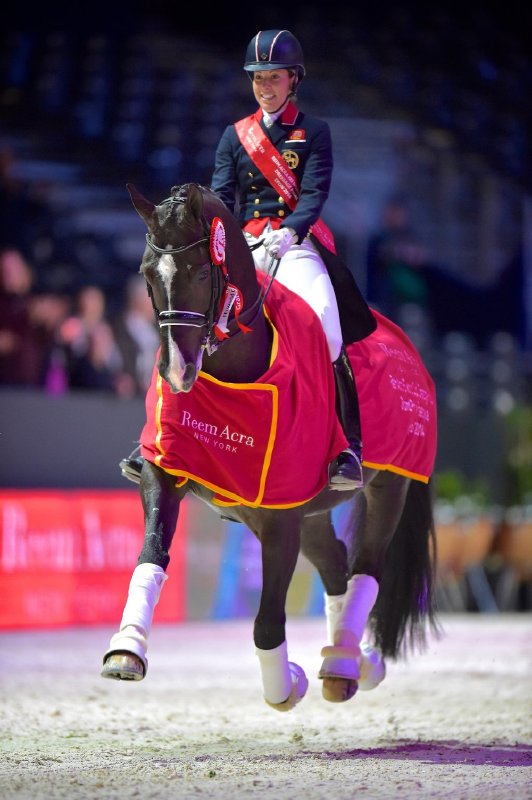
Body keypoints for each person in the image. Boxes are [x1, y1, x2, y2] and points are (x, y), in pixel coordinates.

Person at [210, 28, 376, 490]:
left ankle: (347, 448)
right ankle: (170, 440)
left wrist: (289, 233)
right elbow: (223, 197)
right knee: (194, 321)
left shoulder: (313, 132)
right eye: (258, 79)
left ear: (293, 80)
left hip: (294, 244)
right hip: (248, 247)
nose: (265, 87)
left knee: (326, 324)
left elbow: (314, 194)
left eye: (274, 78)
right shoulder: (234, 136)